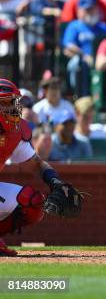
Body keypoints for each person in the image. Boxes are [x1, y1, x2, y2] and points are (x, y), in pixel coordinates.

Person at [0, 79, 83, 256]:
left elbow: (36, 164)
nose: (13, 109)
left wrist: (55, 182)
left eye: (14, 103)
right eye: (6, 103)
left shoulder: (14, 133)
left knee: (33, 202)